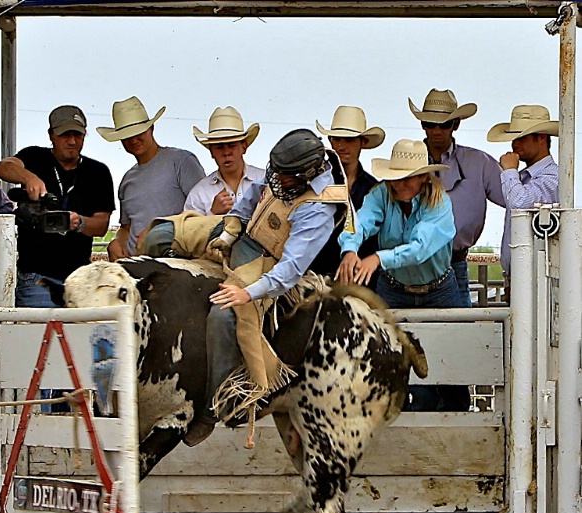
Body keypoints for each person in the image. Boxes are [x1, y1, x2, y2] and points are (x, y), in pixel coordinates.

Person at [184, 129, 349, 446]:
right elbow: (254, 195)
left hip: (271, 264)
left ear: (305, 175)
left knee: (224, 314)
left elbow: (291, 269)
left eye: (284, 176)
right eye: (275, 171)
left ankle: (215, 407)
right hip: (245, 238)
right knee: (168, 233)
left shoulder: (319, 209)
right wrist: (230, 228)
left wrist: (246, 293)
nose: (275, 180)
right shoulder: (284, 171)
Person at [337, 139, 459, 411]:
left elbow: (420, 249)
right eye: (396, 178)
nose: (400, 185)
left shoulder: (439, 205)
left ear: (424, 177)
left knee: (455, 363)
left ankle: (455, 416)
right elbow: (359, 223)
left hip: (438, 291)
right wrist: (349, 249)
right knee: (387, 358)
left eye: (408, 178)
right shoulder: (380, 195)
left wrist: (379, 257)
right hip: (394, 288)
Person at [0, 105, 114, 308]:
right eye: (65, 134)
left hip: (80, 278)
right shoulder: (34, 157)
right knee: (37, 337)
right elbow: (2, 167)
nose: (72, 141)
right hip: (37, 277)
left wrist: (79, 222)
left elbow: (101, 225)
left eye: (77, 134)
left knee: (79, 338)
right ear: (51, 135)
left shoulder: (98, 172)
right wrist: (29, 178)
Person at [408, 89, 504, 307]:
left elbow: (515, 201)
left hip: (455, 261)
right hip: (411, 267)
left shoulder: (480, 163)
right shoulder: (406, 162)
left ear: (456, 125)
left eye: (444, 124)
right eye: (431, 124)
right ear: (423, 125)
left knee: (461, 333)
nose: (436, 130)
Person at [97, 96, 205, 259]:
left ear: (151, 128)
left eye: (139, 132)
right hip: (137, 266)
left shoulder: (182, 162)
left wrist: (158, 230)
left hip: (178, 263)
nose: (134, 139)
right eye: (127, 135)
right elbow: (126, 227)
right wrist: (116, 243)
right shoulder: (127, 181)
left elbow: (202, 213)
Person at [487, 104, 558, 291]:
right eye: (514, 138)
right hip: (521, 278)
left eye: (522, 138)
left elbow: (519, 203)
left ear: (541, 138)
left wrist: (510, 170)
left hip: (537, 279)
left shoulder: (553, 177)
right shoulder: (527, 177)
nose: (515, 144)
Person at [314, 105, 384, 273]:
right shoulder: (314, 182)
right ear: (330, 141)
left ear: (363, 142)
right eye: (337, 139)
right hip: (314, 274)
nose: (341, 146)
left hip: (358, 275)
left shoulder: (374, 189)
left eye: (349, 140)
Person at [184, 106, 265, 216]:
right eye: (219, 147)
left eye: (232, 146)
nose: (226, 152)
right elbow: (189, 231)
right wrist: (212, 213)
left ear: (244, 147)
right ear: (211, 151)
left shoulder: (266, 182)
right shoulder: (199, 194)